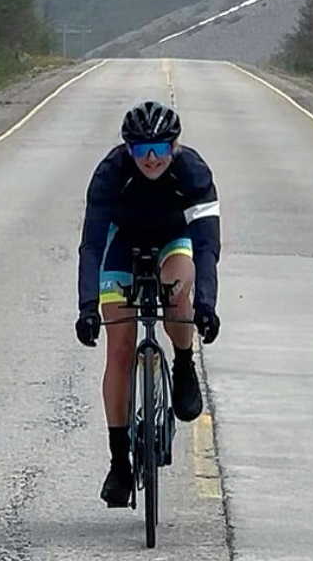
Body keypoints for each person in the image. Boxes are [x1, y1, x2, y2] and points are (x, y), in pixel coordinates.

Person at [74, 99, 222, 508]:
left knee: (177, 291)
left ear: (175, 147)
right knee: (119, 349)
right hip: (123, 244)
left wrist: (206, 303)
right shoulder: (109, 175)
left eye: (161, 148)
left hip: (174, 237)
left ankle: (183, 363)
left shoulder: (193, 173)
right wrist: (87, 306)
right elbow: (91, 245)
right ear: (128, 149)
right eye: (142, 150)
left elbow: (207, 246)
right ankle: (119, 463)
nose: (152, 158)